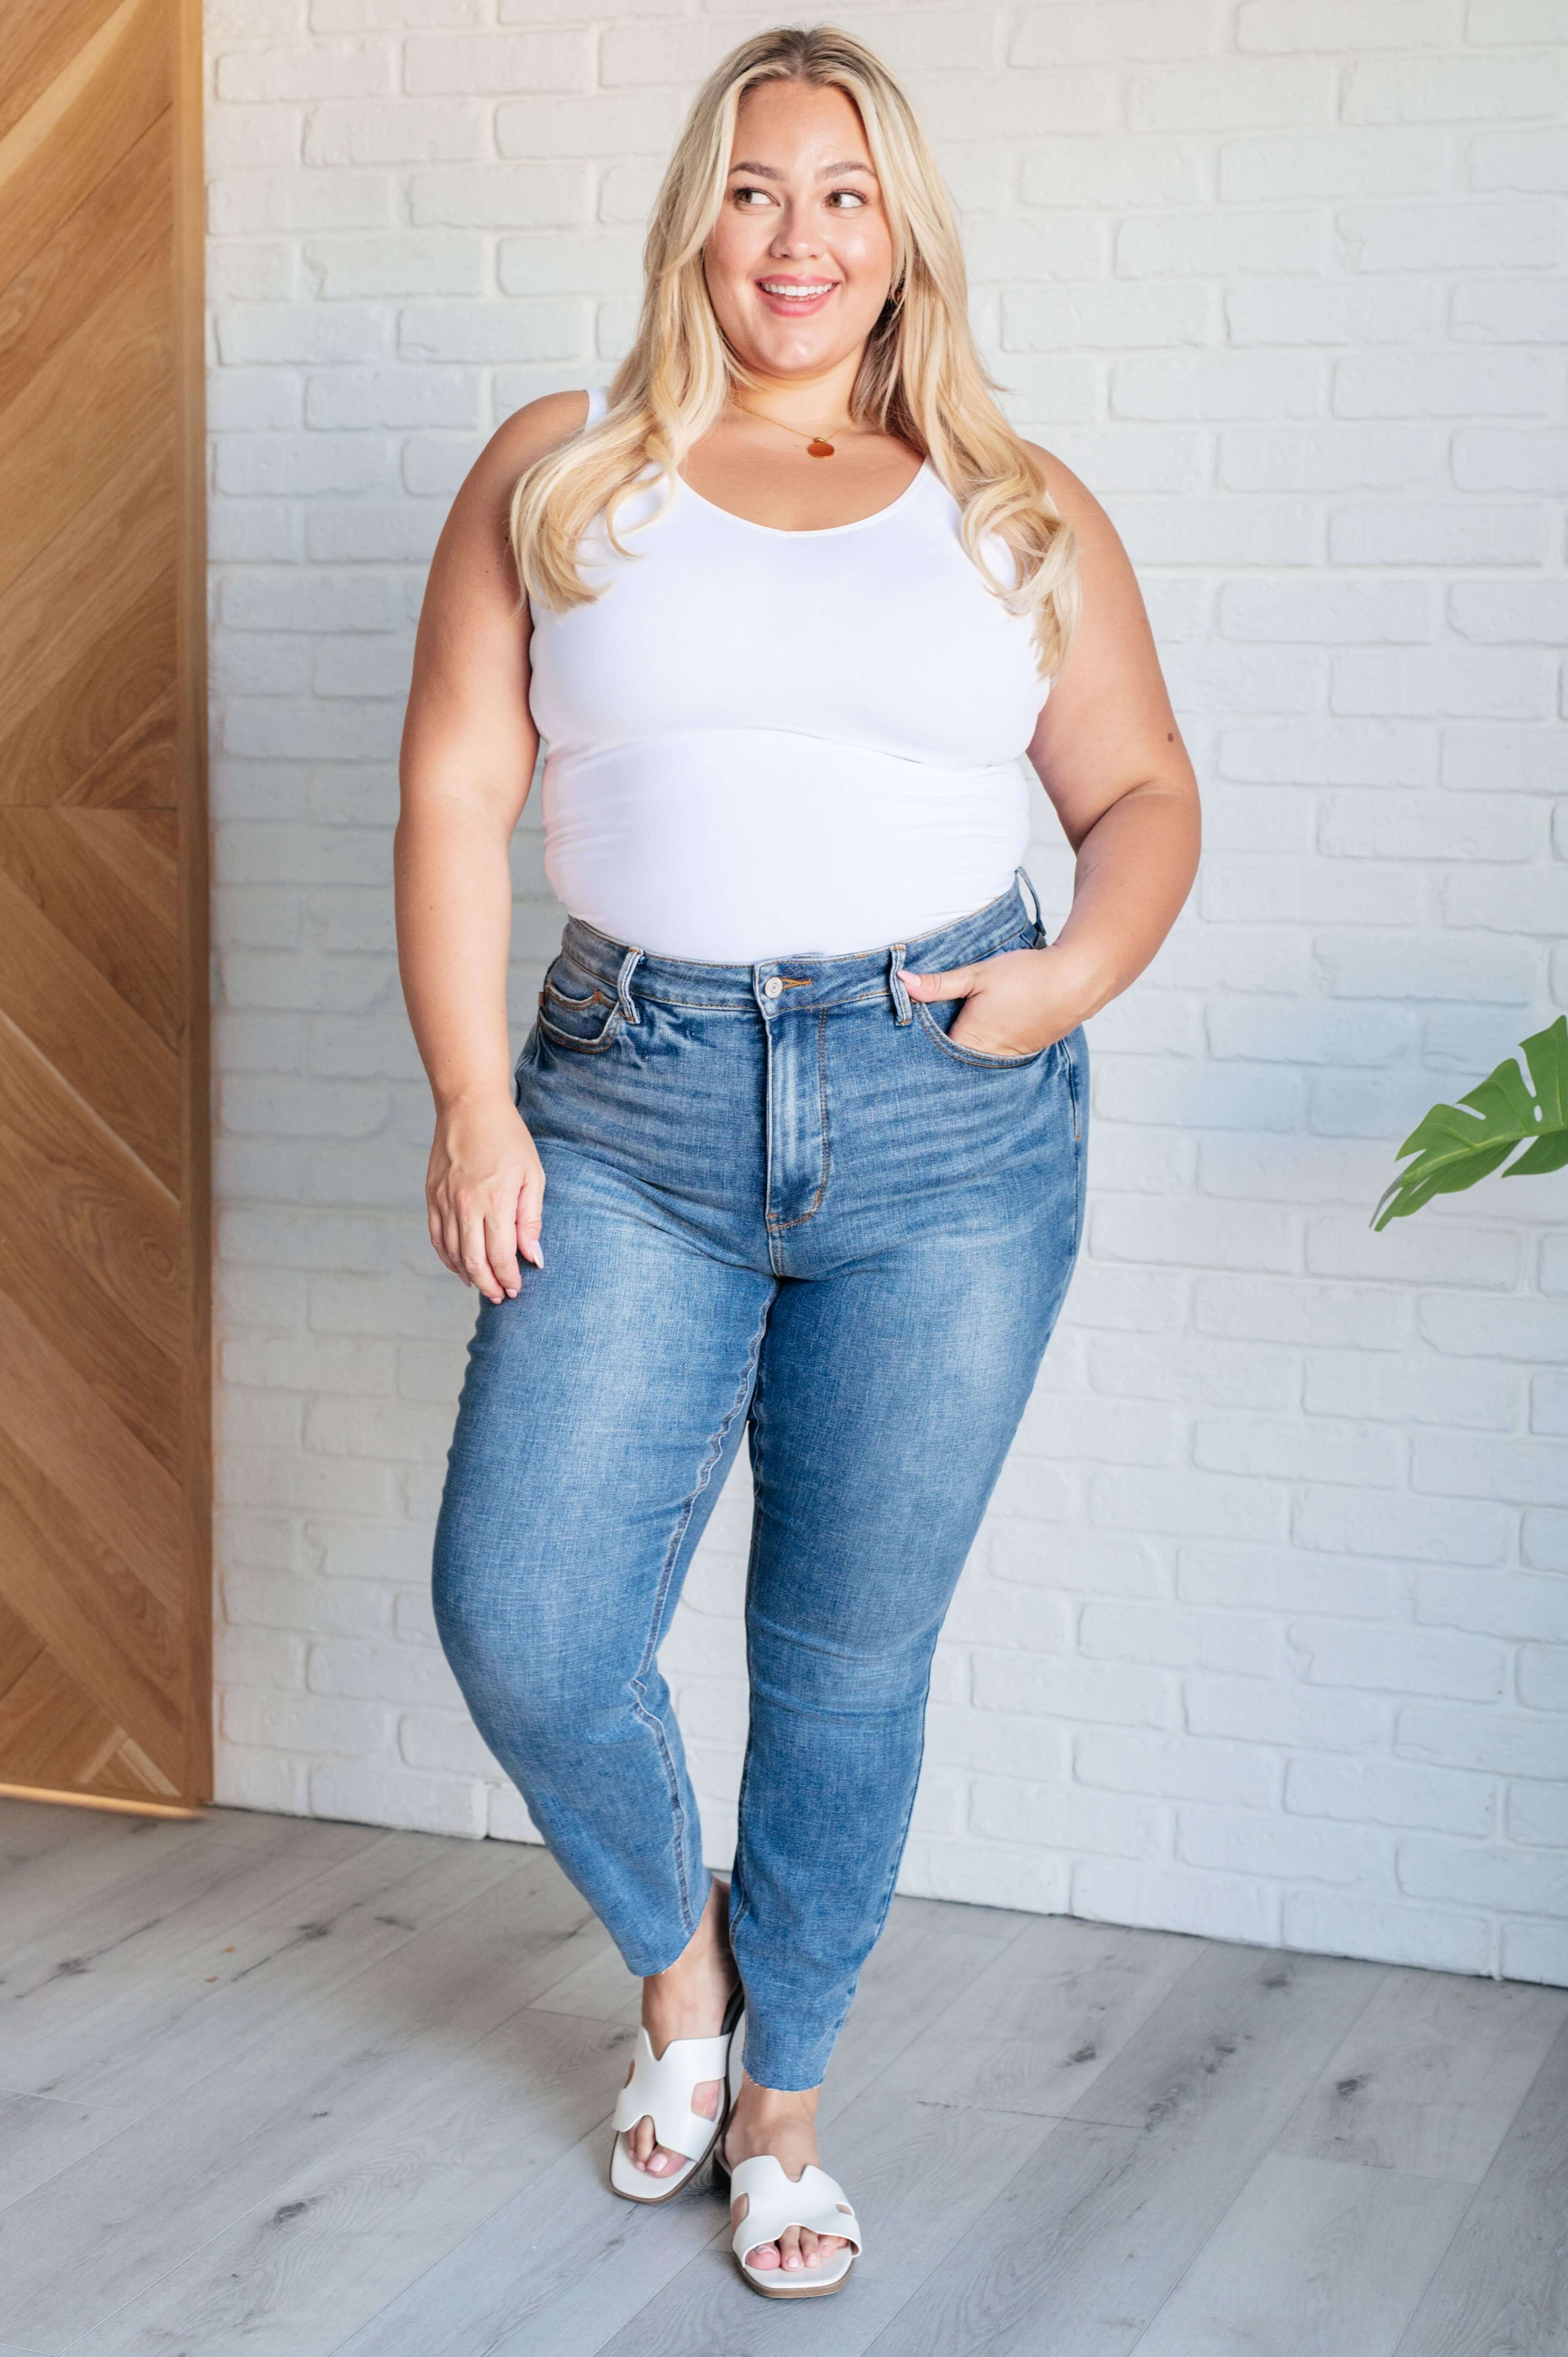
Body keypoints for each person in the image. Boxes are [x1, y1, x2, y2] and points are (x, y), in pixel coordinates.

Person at [396, 21, 1198, 2304]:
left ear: (903, 232)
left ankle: (785, 2102)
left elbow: (1142, 798)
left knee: (843, 1658)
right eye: (757, 189)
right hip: (626, 1103)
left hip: (948, 1108)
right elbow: (458, 797)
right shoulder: (566, 473)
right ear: (694, 219)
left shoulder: (1013, 504)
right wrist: (473, 1099)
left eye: (845, 195)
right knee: (531, 1615)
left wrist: (1074, 978)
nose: (800, 238)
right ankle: (684, 1979)